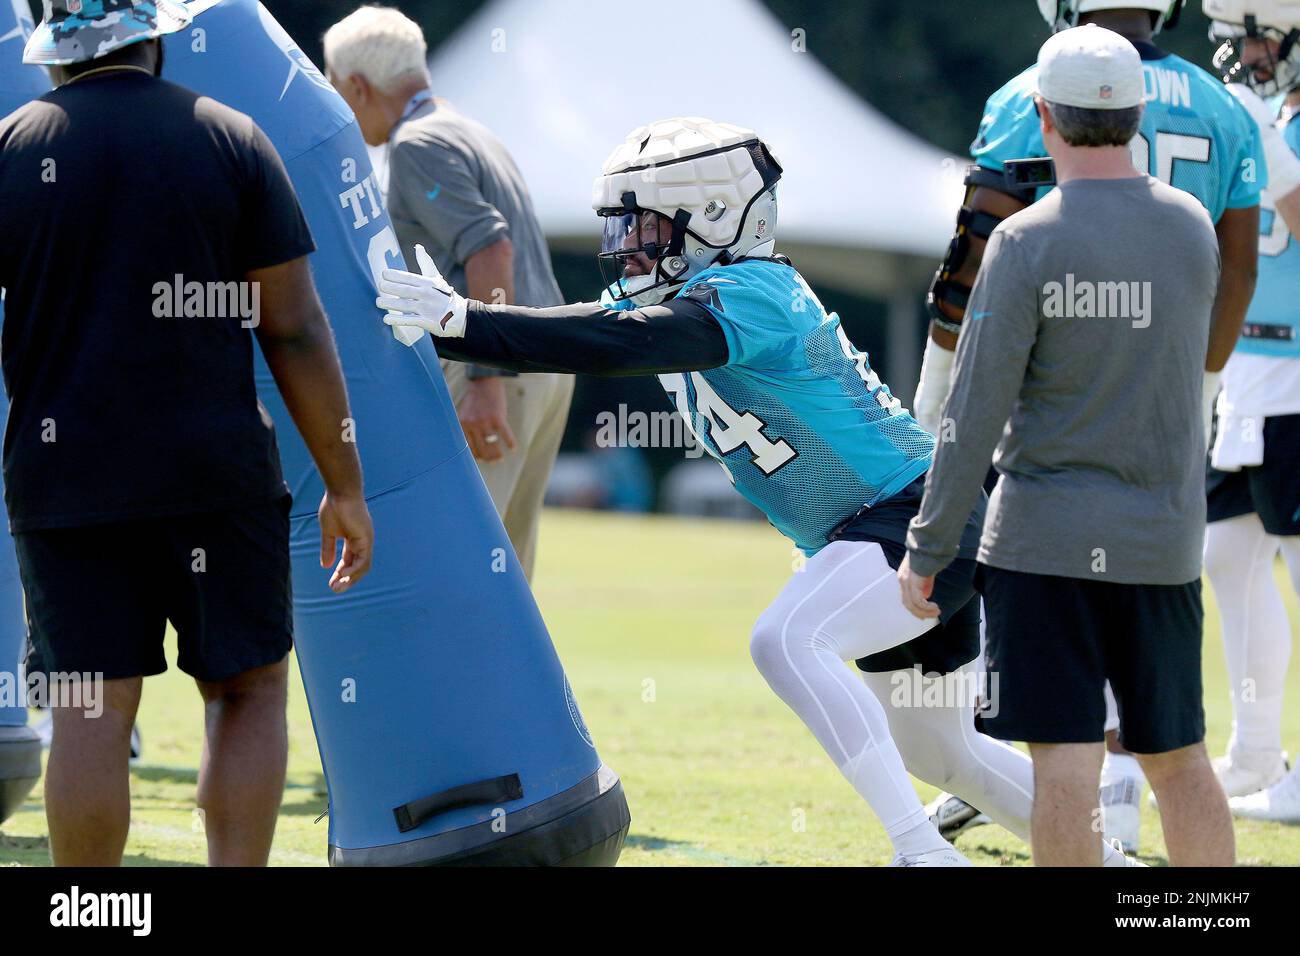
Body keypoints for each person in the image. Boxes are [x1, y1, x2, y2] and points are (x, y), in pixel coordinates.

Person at [377, 116, 1139, 867]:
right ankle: (1109, 868)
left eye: (647, 227)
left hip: (914, 510)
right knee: (942, 752)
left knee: (786, 640)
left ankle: (921, 853)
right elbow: (581, 331)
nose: (629, 245)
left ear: (713, 219)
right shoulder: (691, 293)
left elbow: (623, 343)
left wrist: (469, 323)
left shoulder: (755, 289)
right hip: (885, 520)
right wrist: (464, 326)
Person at [0, 0, 374, 866]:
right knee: (245, 692)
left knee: (90, 709)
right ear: (156, 35)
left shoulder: (13, 147)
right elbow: (295, 328)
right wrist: (345, 484)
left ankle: (89, 916)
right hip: (217, 474)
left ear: (52, 53)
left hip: (65, 481)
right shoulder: (231, 137)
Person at [916, 0, 1272, 853]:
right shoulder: (1191, 226)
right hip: (1161, 537)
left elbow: (974, 411)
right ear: (1137, 112)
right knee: (1179, 758)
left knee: (1066, 766)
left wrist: (928, 548)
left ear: (1043, 114)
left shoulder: (1027, 243)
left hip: (1044, 540)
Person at [323, 5, 571, 580]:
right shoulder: (471, 129)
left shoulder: (417, 144)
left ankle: (472, 674)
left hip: (503, 369)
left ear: (358, 86)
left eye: (337, 88)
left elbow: (492, 250)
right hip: (548, 361)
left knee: (467, 564)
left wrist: (486, 380)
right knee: (509, 566)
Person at [1201, 0, 1300, 820]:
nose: (1251, 56)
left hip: (1299, 377)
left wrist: (1271, 152)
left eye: (1261, 37)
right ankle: (1258, 753)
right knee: (1227, 557)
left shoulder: (1277, 129)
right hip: (1251, 376)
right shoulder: (1266, 116)